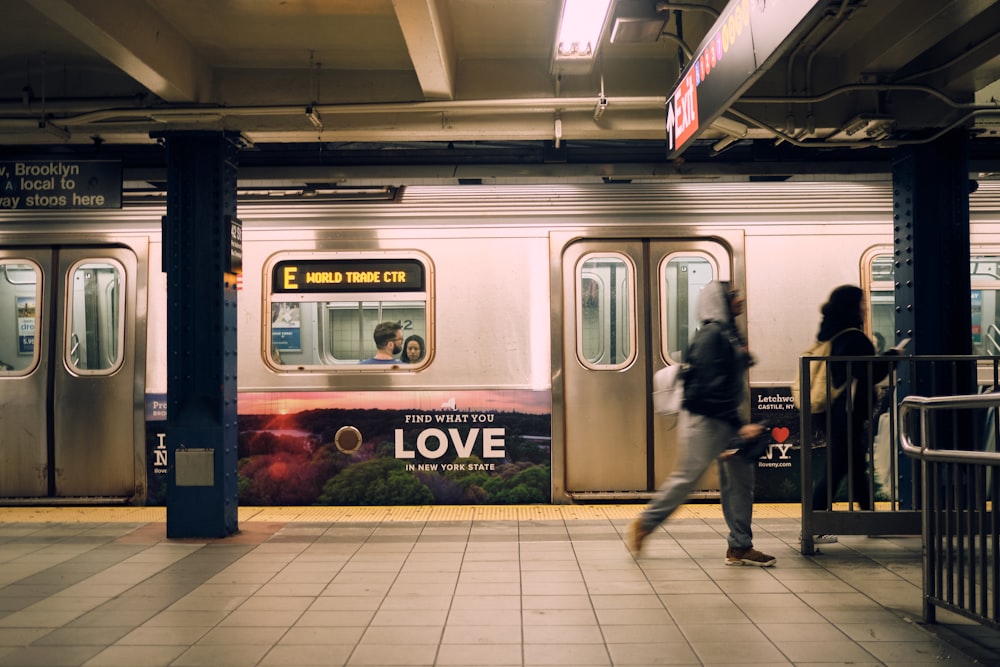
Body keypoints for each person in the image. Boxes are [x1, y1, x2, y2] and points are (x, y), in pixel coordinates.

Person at [627, 281, 775, 567]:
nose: (740, 298)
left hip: (726, 419)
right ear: (718, 301)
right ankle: (645, 523)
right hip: (706, 422)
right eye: (734, 295)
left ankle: (740, 546)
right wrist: (738, 425)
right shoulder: (711, 335)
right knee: (687, 478)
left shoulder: (728, 333)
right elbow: (708, 387)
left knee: (741, 483)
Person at [808, 286, 901, 537]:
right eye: (862, 302)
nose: (865, 307)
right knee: (837, 469)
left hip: (837, 411)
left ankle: (871, 522)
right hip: (845, 413)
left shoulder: (832, 333)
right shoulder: (853, 338)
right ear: (851, 306)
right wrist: (893, 356)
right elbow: (869, 372)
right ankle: (812, 527)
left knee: (855, 468)